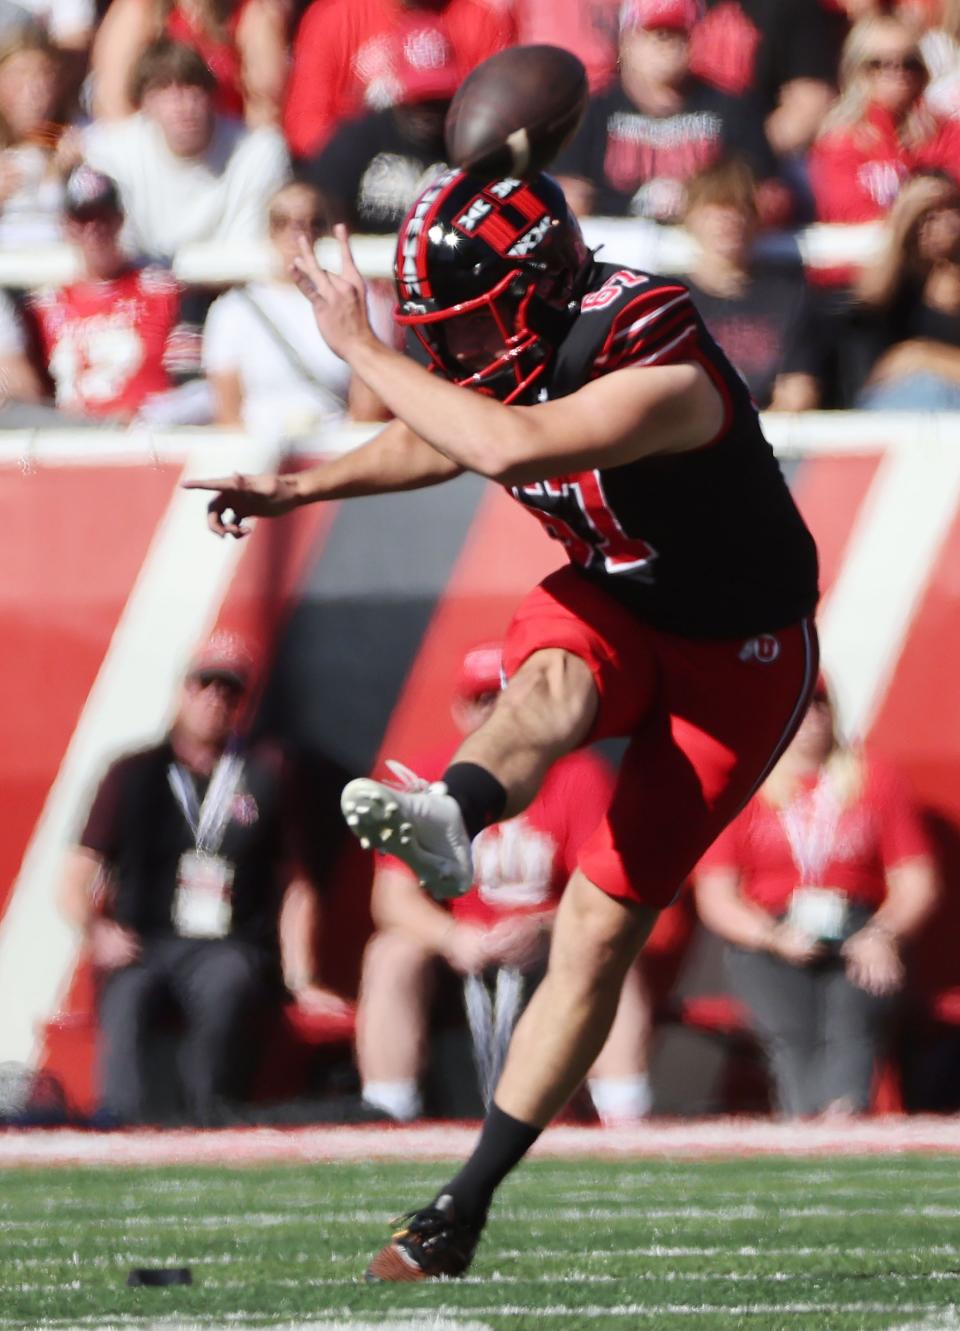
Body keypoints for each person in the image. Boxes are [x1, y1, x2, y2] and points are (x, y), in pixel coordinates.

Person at [186, 165, 819, 1278]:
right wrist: (298, 489)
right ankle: (451, 810)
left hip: (741, 660)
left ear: (531, 291)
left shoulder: (658, 356)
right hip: (618, 598)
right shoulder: (520, 347)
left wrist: (361, 350)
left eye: (469, 324)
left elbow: (508, 446)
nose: (460, 350)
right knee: (549, 688)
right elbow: (444, 435)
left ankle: (462, 1203)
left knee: (597, 928)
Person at [58, 632, 350, 1127]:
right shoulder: (133, 772)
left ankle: (205, 1119)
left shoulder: (267, 773)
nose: (216, 699)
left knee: (229, 984)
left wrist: (302, 979)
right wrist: (97, 931)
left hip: (227, 943)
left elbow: (297, 886)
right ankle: (119, 1123)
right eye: (206, 684)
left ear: (243, 702)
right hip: (144, 941)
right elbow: (75, 874)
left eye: (230, 690)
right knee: (126, 995)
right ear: (183, 691)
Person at [357, 642, 653, 1126]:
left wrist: (541, 928)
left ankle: (626, 1120)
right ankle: (389, 1116)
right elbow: (392, 898)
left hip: (550, 948)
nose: (496, 714)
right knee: (390, 954)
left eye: (507, 699)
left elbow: (604, 895)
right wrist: (453, 937)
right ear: (460, 712)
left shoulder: (579, 776)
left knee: (613, 952)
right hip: (458, 950)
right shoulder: (428, 777)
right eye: (482, 701)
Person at [694, 676, 938, 1118]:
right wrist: (771, 936)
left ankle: (845, 1110)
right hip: (772, 928)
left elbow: (915, 880)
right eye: (799, 708)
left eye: (820, 705)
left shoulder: (873, 778)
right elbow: (716, 895)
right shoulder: (746, 785)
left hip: (857, 921)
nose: (811, 719)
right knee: (791, 1029)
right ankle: (804, 1116)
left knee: (855, 1014)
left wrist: (883, 934)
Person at [552, 0, 786, 225]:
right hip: (616, 253)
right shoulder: (591, 112)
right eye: (656, 32)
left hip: (703, 257)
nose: (669, 43)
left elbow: (769, 198)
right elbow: (567, 196)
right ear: (626, 41)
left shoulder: (734, 110)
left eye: (679, 33)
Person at [202, 181, 388, 438]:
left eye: (313, 222)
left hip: (334, 447)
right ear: (268, 230)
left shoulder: (354, 301)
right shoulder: (232, 310)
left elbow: (368, 403)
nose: (298, 233)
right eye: (281, 221)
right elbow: (227, 413)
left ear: (326, 231)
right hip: (259, 451)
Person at [82, 37, 290, 263]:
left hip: (232, 286)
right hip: (146, 288)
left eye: (192, 88)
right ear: (145, 105)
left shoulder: (257, 151)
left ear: (210, 96)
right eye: (164, 91)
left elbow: (247, 245)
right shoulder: (111, 152)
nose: (183, 106)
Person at [27, 165, 205, 422]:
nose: (95, 229)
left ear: (120, 220)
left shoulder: (164, 292)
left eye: (104, 217)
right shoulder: (43, 306)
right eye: (82, 219)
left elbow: (192, 386)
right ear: (66, 226)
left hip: (146, 436)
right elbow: (33, 393)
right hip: (71, 439)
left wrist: (144, 416)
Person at [674, 160, 826, 411]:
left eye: (740, 208)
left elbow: (798, 393)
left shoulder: (790, 298)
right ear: (690, 217)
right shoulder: (669, 300)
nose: (729, 220)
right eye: (715, 207)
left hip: (764, 439)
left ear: (755, 219)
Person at [282, 0, 515, 161]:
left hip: (445, 167)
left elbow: (497, 123)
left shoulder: (479, 19)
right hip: (359, 178)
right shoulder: (333, 17)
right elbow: (306, 126)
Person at [302, 26, 455, 234]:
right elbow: (324, 206)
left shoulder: (465, 144)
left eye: (437, 98)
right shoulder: (357, 140)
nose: (428, 111)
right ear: (396, 90)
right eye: (418, 99)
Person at [809, 14, 960, 225]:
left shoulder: (947, 133)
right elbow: (846, 213)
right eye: (880, 64)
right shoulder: (840, 141)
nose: (898, 72)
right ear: (859, 69)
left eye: (909, 63)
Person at [853, 169, 960, 408]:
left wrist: (922, 356)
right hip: (895, 404)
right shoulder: (895, 283)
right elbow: (868, 296)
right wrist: (903, 213)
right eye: (924, 215)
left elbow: (915, 359)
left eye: (948, 209)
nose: (935, 223)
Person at [89, 0, 289, 126]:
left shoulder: (252, 12)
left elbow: (264, 110)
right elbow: (113, 104)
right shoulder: (140, 9)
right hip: (153, 157)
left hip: (228, 158)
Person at [0, 25, 72, 249]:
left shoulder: (73, 144)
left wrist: (71, 177)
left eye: (45, 74)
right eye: (20, 74)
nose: (34, 89)